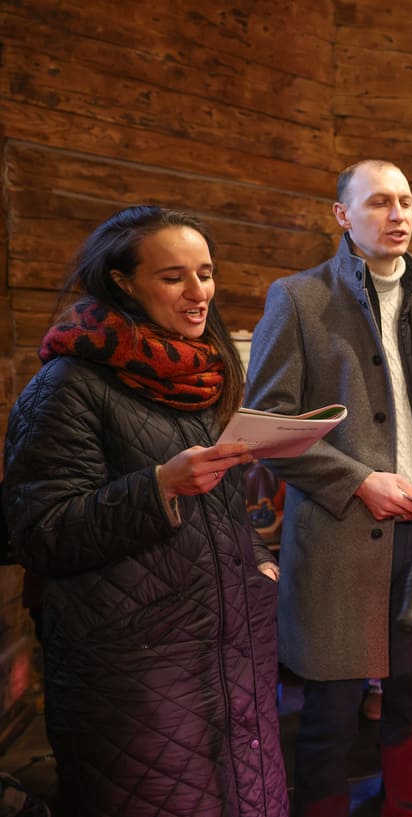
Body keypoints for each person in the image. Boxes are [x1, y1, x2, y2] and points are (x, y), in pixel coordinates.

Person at [2, 205, 287, 817]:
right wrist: (158, 488)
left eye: (206, 273)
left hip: (230, 650)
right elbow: (40, 532)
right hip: (134, 670)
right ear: (123, 282)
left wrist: (258, 563)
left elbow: (226, 513)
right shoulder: (66, 385)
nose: (198, 292)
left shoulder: (202, 377)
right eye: (173, 277)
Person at [243, 159, 412, 817]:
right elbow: (266, 426)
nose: (398, 214)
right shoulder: (299, 298)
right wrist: (357, 481)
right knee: (331, 713)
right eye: (379, 201)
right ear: (342, 215)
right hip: (340, 534)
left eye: (405, 200)